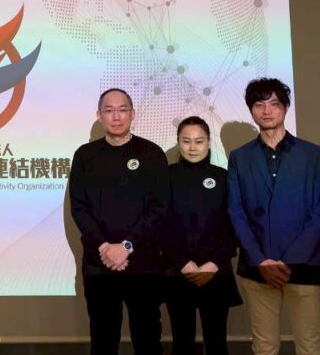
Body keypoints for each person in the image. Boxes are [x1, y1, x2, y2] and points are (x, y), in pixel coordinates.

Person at [227, 77, 320, 355]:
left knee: (310, 346)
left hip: (305, 264)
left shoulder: (313, 154)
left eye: (274, 103)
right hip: (256, 265)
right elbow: (235, 212)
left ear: (286, 107)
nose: (267, 110)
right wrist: (261, 260)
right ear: (251, 110)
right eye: (259, 105)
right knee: (264, 346)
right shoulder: (239, 157)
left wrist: (290, 260)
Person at [68, 87, 170, 355]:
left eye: (122, 110)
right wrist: (104, 247)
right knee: (103, 340)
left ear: (132, 114)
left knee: (148, 340)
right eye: (109, 110)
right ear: (99, 115)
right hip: (99, 263)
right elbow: (79, 208)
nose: (116, 117)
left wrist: (126, 246)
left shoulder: (152, 154)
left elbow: (159, 208)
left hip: (143, 263)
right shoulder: (85, 156)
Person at [165, 116, 242, 355]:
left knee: (216, 341)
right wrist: (183, 263)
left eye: (199, 141)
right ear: (178, 142)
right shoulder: (164, 176)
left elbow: (233, 225)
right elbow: (160, 225)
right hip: (178, 271)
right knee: (181, 342)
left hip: (216, 270)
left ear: (209, 142)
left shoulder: (223, 177)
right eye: (186, 141)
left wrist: (213, 263)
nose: (192, 147)